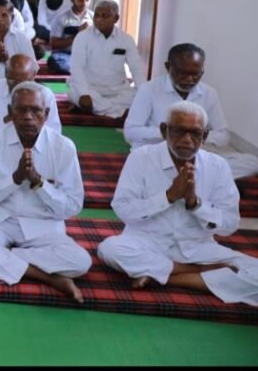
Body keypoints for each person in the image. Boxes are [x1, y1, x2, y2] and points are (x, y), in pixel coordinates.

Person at [98, 102, 258, 306]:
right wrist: (169, 197)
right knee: (109, 249)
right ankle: (199, 272)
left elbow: (230, 224)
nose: (187, 140)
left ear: (204, 136)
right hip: (147, 242)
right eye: (179, 131)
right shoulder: (141, 157)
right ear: (164, 130)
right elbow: (123, 209)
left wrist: (195, 205)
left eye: (195, 134)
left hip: (198, 248)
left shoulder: (218, 166)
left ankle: (166, 277)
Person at [0, 82, 90, 304]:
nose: (28, 117)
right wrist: (14, 179)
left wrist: (39, 183)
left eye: (35, 110)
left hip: (43, 227)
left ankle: (2, 257)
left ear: (46, 114)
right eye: (21, 110)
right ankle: (47, 276)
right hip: (0, 221)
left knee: (80, 262)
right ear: (10, 112)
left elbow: (72, 206)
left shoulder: (63, 147)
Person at [124, 43, 257, 179]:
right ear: (168, 67)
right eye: (182, 73)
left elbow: (224, 136)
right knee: (144, 164)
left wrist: (195, 136)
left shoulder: (209, 94)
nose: (189, 79)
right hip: (157, 155)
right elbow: (131, 131)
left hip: (193, 156)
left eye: (195, 74)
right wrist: (171, 134)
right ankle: (199, 178)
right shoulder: (149, 89)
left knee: (252, 162)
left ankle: (188, 177)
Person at [68, 0, 145, 118]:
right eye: (97, 15)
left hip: (118, 90)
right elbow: (77, 68)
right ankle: (119, 111)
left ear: (116, 18)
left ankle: (101, 109)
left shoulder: (126, 39)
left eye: (105, 16)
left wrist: (143, 92)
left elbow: (136, 68)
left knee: (138, 95)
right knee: (76, 93)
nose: (99, 19)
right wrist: (83, 93)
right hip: (90, 89)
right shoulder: (82, 37)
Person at [47, 0, 94, 75]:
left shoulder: (94, 17)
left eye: (87, 0)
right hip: (66, 54)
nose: (84, 4)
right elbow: (54, 44)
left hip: (87, 55)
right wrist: (78, 34)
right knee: (54, 61)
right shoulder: (61, 18)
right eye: (80, 0)